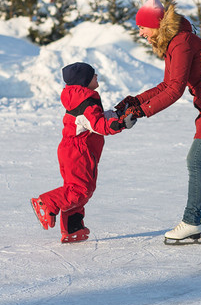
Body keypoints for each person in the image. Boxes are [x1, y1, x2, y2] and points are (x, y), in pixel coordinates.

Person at [116, 0, 201, 242]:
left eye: (142, 27)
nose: (141, 33)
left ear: (155, 25)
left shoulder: (181, 42)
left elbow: (175, 91)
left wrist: (143, 111)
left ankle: (191, 221)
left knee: (195, 160)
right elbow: (167, 84)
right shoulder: (174, 42)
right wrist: (136, 101)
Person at [31, 62, 137, 243]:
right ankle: (47, 202)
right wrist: (120, 124)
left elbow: (94, 118)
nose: (97, 77)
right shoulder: (85, 101)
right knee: (81, 190)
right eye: (93, 75)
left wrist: (117, 113)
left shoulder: (81, 99)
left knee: (76, 189)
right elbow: (98, 125)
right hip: (78, 152)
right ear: (84, 81)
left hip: (73, 150)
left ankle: (73, 228)